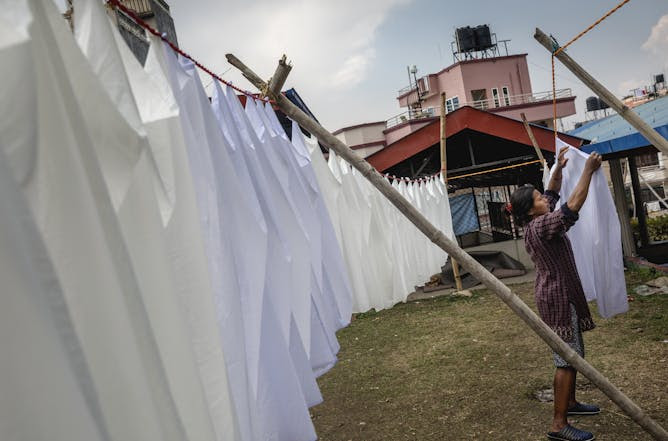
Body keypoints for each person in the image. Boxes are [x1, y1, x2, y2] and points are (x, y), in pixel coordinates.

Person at [508, 146, 603, 441]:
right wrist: (587, 170)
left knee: (572, 354)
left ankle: (571, 403)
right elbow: (572, 205)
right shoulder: (542, 226)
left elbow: (552, 192)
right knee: (566, 358)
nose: (543, 199)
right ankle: (558, 424)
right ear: (529, 210)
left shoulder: (537, 217)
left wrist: (559, 169)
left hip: (560, 295)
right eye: (537, 199)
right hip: (558, 299)